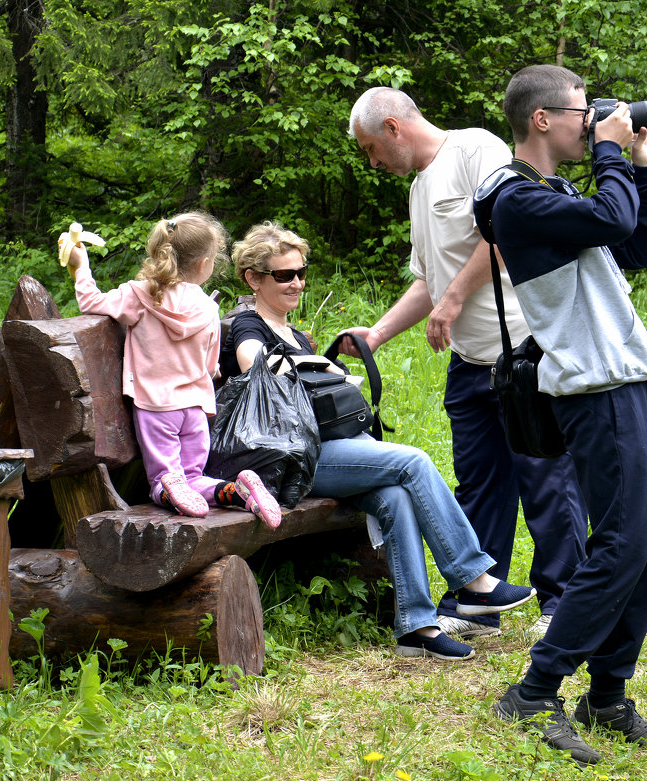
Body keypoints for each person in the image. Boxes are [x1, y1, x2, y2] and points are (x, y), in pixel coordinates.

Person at [472, 65, 647, 763]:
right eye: (582, 113)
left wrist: (642, 167)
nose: (590, 123)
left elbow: (637, 241)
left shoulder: (551, 195)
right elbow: (612, 216)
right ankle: (532, 692)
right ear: (541, 119)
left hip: (623, 380)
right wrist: (613, 153)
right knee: (620, 543)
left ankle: (607, 696)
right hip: (592, 389)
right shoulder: (514, 201)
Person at [221, 220, 536, 660]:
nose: (296, 283)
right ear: (252, 278)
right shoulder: (246, 324)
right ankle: (471, 580)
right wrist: (321, 364)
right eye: (283, 275)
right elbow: (255, 363)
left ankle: (417, 628)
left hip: (323, 446)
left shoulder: (294, 331)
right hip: (288, 462)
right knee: (413, 462)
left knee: (396, 496)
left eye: (300, 272)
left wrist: (318, 361)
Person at [342, 87, 588, 642]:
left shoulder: (475, 149)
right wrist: (377, 335)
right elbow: (429, 280)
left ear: (393, 127)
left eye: (371, 148)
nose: (373, 162)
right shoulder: (418, 190)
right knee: (479, 483)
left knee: (545, 475)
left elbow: (508, 230)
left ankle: (563, 602)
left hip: (524, 350)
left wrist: (452, 300)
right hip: (470, 361)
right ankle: (481, 600)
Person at [66, 212, 282, 528]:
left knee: (163, 482)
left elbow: (90, 302)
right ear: (203, 263)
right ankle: (236, 490)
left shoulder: (140, 294)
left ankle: (169, 483)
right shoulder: (209, 308)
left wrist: (80, 267)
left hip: (156, 408)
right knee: (193, 478)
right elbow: (211, 367)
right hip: (196, 410)